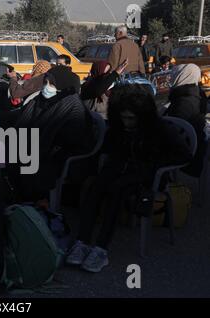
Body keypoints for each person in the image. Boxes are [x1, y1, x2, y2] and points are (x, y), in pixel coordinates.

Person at [66, 84, 193, 273]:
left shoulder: (159, 129)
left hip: (144, 175)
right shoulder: (118, 127)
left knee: (117, 190)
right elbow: (106, 149)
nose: (126, 122)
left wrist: (154, 164)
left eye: (131, 118)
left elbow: (184, 154)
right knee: (95, 186)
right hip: (119, 169)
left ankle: (101, 249)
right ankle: (82, 242)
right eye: (123, 117)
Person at [9, 70, 96, 204]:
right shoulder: (43, 100)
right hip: (41, 148)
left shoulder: (73, 106)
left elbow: (70, 140)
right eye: (45, 82)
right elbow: (25, 119)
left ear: (63, 85)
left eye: (51, 84)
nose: (46, 87)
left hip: (61, 156)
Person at [167, 64, 208, 177]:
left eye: (174, 75)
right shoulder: (195, 94)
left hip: (185, 160)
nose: (171, 78)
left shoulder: (183, 102)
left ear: (181, 77)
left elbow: (174, 132)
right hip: (195, 153)